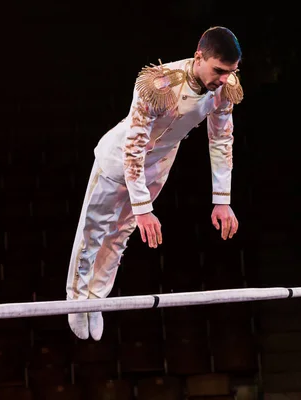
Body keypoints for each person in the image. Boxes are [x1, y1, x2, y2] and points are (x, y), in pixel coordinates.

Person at [65, 26, 243, 341]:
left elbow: (221, 140)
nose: (224, 79)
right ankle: (76, 301)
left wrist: (222, 200)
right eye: (219, 70)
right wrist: (143, 208)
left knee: (119, 238)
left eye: (231, 72)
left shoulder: (224, 88)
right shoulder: (158, 83)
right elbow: (133, 148)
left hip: (156, 168)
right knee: (93, 232)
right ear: (199, 56)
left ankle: (96, 299)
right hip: (118, 161)